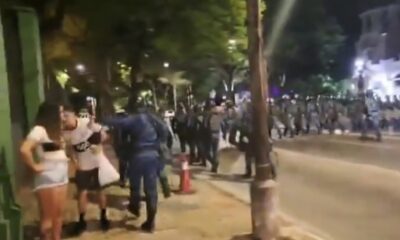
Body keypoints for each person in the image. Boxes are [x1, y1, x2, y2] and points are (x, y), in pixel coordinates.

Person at [105, 102, 169, 233]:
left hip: (138, 157)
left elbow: (117, 123)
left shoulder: (134, 119)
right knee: (151, 191)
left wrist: (103, 119)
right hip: (152, 157)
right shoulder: (153, 118)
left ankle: (135, 207)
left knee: (135, 186)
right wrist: (158, 143)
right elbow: (165, 129)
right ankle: (150, 222)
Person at [20, 102, 69, 240]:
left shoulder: (55, 131)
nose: (62, 116)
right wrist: (35, 166)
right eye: (60, 113)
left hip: (62, 175)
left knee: (58, 216)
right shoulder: (39, 130)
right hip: (48, 176)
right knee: (48, 219)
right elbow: (24, 150)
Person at [62, 106, 110, 235]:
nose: (64, 119)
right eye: (62, 116)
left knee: (100, 190)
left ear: (73, 115)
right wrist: (74, 161)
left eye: (66, 116)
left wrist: (98, 145)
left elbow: (104, 135)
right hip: (82, 166)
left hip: (97, 163)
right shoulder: (65, 132)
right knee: (82, 193)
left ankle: (104, 217)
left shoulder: (86, 123)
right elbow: (70, 148)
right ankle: (82, 221)